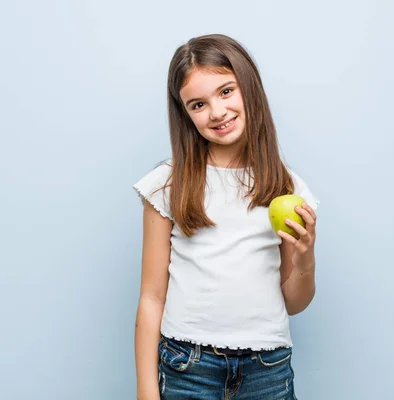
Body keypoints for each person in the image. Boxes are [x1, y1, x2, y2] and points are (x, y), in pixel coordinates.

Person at [132, 33, 320, 400]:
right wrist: (145, 390)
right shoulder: (166, 185)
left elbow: (295, 302)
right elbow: (152, 297)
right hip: (188, 368)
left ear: (250, 88)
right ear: (185, 114)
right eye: (198, 104)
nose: (217, 112)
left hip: (268, 371)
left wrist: (305, 257)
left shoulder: (286, 187)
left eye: (226, 91)